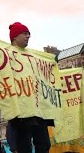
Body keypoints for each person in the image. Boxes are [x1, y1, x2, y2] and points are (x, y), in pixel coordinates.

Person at [6, 22, 51, 153]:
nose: (28, 36)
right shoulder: (5, 54)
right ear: (14, 36)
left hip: (38, 108)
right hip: (21, 109)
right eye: (24, 33)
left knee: (43, 144)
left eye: (28, 34)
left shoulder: (34, 56)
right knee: (24, 145)